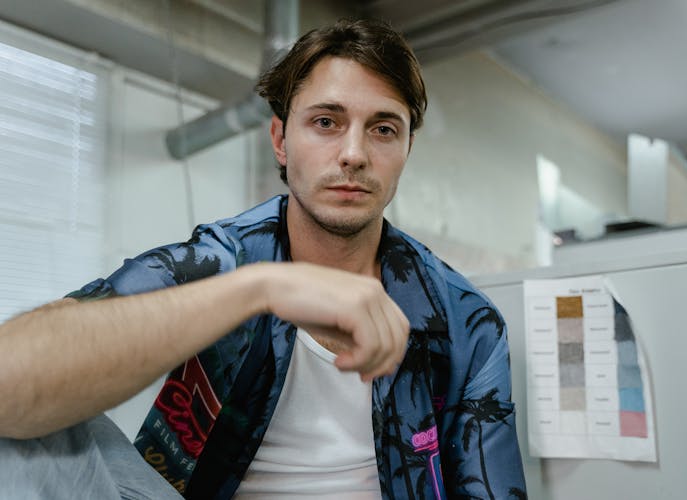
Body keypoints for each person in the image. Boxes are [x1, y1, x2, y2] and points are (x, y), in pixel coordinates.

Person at [0, 18, 527, 500]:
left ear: (407, 148)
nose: (353, 154)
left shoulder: (466, 322)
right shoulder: (219, 260)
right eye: (325, 122)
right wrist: (260, 289)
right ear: (280, 139)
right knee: (27, 430)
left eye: (383, 129)